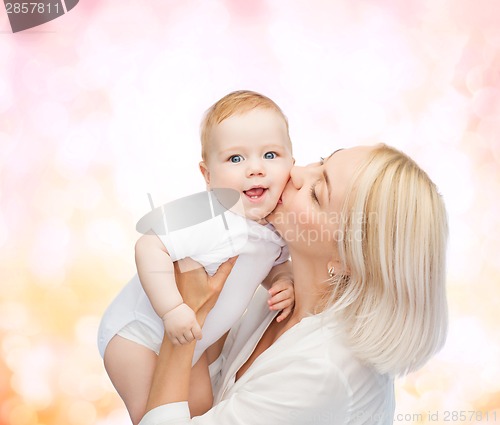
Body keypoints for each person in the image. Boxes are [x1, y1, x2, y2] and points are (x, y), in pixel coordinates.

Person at [138, 144, 449, 425]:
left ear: (347, 261)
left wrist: (185, 317)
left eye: (317, 193)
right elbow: (207, 396)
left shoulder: (323, 371)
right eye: (321, 162)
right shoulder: (283, 294)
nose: (295, 172)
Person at [97, 91, 297, 424]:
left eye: (271, 154)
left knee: (202, 411)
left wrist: (283, 280)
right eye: (236, 159)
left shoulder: (276, 226)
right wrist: (172, 308)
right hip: (136, 336)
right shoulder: (214, 219)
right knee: (153, 412)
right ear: (208, 176)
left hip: (193, 343)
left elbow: (273, 263)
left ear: (292, 161)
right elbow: (149, 246)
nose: (256, 169)